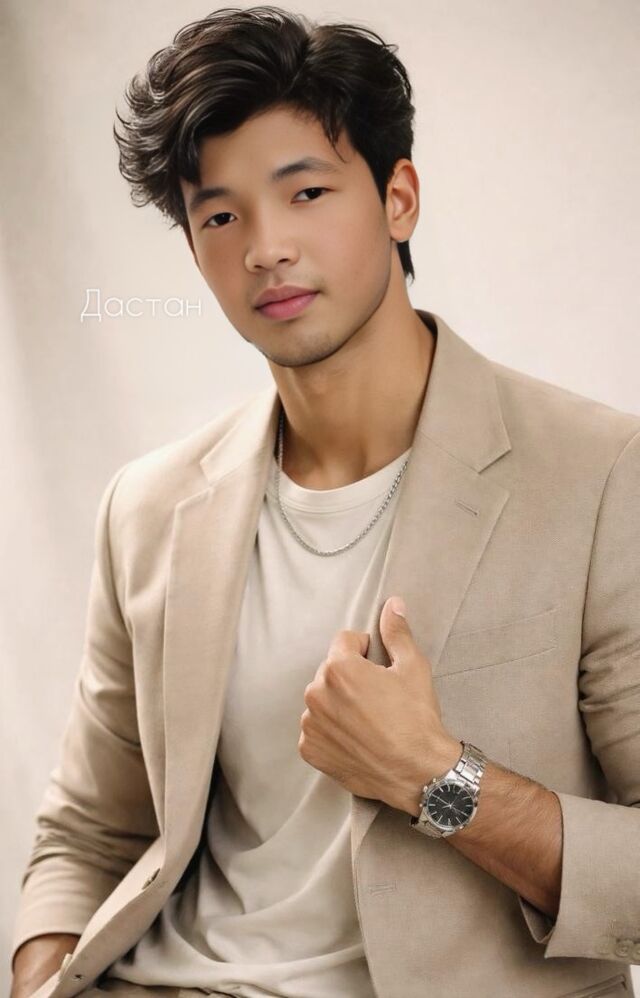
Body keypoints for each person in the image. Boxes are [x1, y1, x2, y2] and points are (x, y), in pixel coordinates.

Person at [10, 6, 640, 998]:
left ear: (399, 199)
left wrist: (438, 778)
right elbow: (87, 834)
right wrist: (41, 973)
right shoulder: (149, 506)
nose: (266, 247)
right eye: (221, 217)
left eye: (305, 192)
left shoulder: (599, 473)